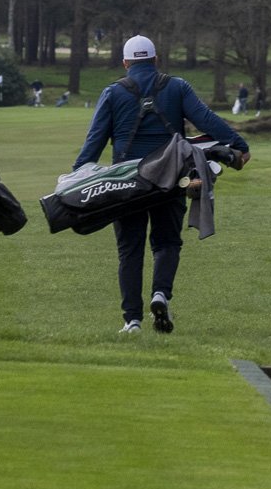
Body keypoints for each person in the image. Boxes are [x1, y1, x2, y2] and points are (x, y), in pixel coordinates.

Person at [73, 34, 251, 335]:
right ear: (156, 60)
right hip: (171, 176)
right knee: (167, 242)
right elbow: (205, 119)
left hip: (127, 182)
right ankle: (161, 294)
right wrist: (239, 144)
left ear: (126, 63)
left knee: (129, 250)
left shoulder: (112, 93)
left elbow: (94, 142)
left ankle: (132, 321)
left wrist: (76, 178)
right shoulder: (177, 87)